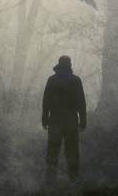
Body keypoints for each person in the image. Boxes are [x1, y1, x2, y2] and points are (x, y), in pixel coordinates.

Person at [42, 55, 86, 184]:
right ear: (70, 65)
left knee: (52, 151)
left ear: (59, 65)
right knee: (72, 151)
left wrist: (44, 119)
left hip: (55, 121)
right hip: (71, 122)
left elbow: (46, 102)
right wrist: (83, 122)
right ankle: (74, 179)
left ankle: (50, 181)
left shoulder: (52, 80)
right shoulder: (76, 80)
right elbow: (81, 103)